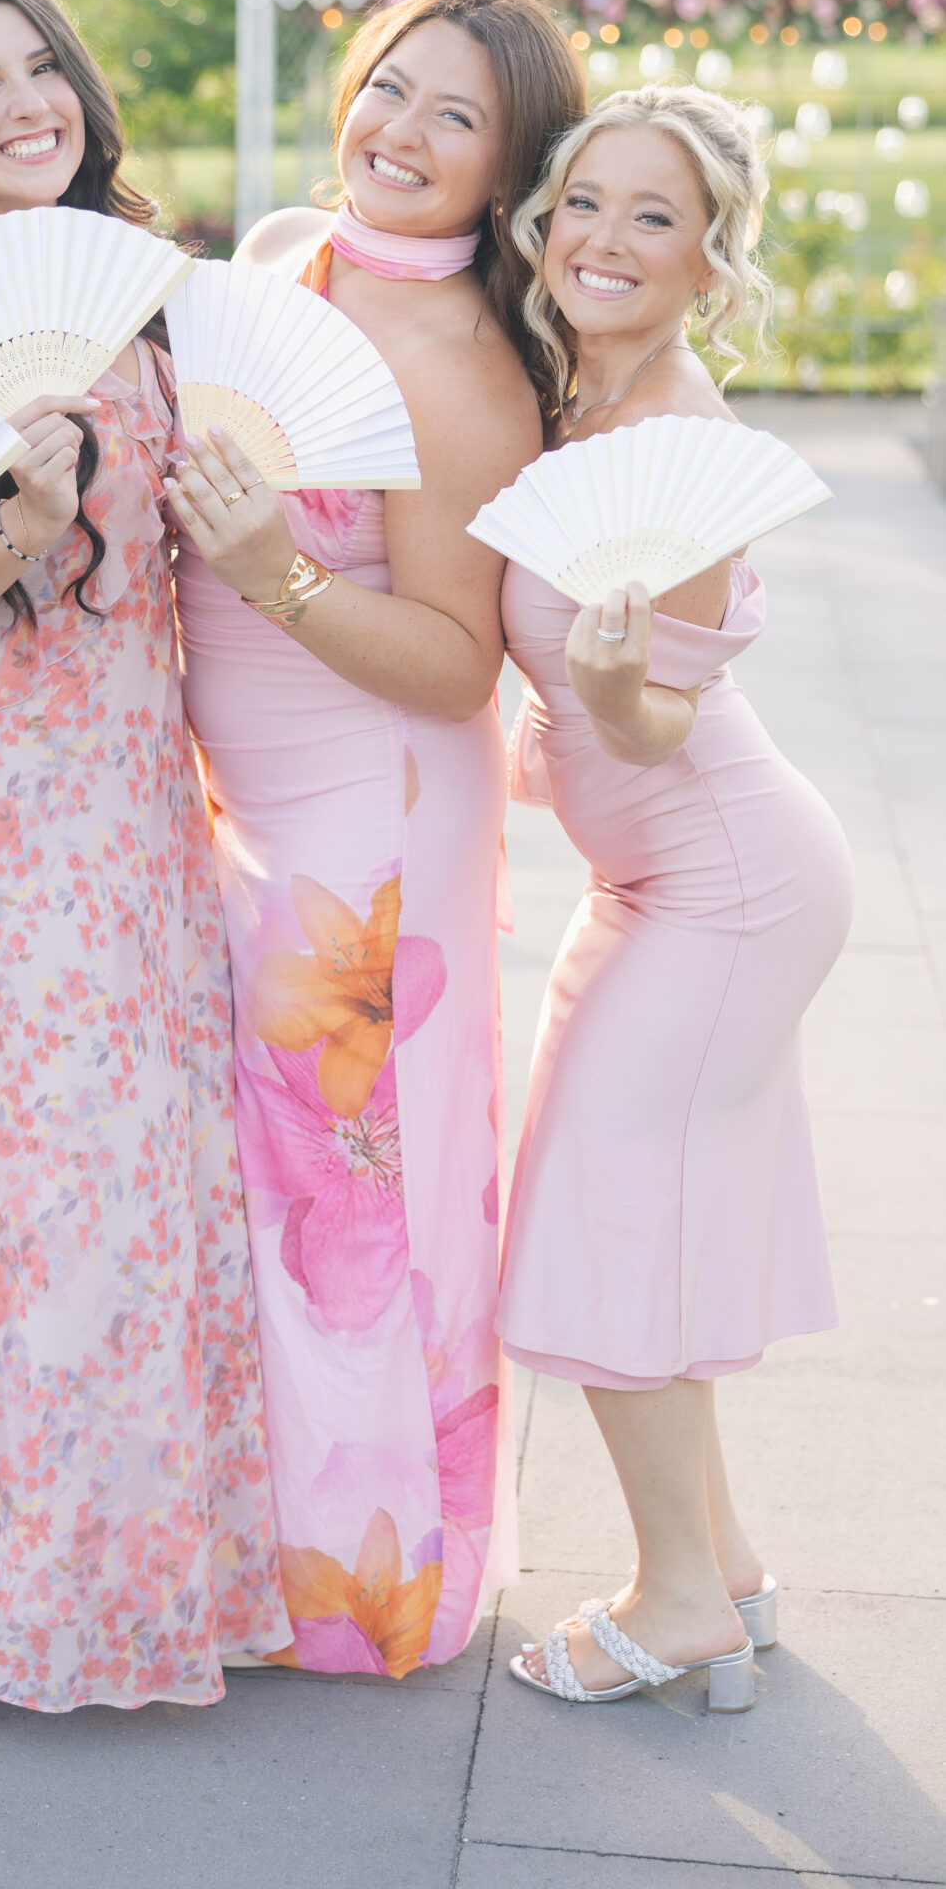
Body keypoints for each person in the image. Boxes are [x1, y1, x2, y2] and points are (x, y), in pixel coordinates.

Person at [0, 0, 289, 1712]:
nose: (24, 101)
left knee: (143, 1184)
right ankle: (33, 1610)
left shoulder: (148, 293)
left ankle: (159, 1583)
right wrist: (22, 516)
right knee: (34, 1200)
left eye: (40, 66)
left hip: (134, 799)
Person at [166, 0, 585, 1676]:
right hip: (239, 801)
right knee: (262, 1182)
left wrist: (271, 569)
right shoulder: (280, 263)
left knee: (352, 1198)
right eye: (390, 87)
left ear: (506, 168)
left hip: (374, 811)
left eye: (455, 118)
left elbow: (455, 662)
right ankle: (262, 1535)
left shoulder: (463, 367)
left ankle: (363, 1586)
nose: (401, 133)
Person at [494, 84, 852, 1708]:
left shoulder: (683, 444)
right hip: (651, 882)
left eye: (656, 216)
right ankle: (732, 1568)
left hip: (727, 884)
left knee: (607, 1202)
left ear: (712, 260)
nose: (605, 238)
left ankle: (680, 1601)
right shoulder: (579, 400)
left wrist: (602, 688)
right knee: (651, 1205)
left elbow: (655, 725)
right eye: (585, 202)